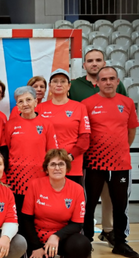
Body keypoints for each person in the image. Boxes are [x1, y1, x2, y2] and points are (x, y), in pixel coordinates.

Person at [68, 48, 125, 246]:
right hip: (87, 154)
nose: (94, 63)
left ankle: (110, 231)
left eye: (98, 60)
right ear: (83, 65)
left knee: (113, 197)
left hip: (115, 156)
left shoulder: (118, 87)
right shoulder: (75, 86)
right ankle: (86, 236)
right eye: (90, 60)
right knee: (88, 197)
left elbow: (127, 120)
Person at [82, 66, 139, 258]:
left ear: (117, 81)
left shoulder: (127, 102)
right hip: (94, 163)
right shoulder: (87, 103)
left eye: (111, 79)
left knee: (120, 205)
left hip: (120, 164)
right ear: (97, 82)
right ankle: (86, 241)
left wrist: (119, 149)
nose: (108, 82)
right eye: (104, 79)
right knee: (89, 204)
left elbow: (131, 131)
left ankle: (120, 243)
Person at [0, 86, 58, 218]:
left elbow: (52, 153)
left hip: (39, 178)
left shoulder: (46, 124)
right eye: (20, 101)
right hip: (16, 179)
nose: (25, 104)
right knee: (18, 215)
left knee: (38, 214)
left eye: (28, 100)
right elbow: (6, 151)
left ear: (36, 102)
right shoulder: (10, 125)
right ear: (17, 106)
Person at [21, 149, 90, 258]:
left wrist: (56, 236)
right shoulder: (35, 185)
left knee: (82, 244)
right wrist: (36, 247)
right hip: (36, 237)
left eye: (61, 164)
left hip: (62, 237)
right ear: (46, 169)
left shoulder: (77, 189)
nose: (57, 168)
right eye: (53, 164)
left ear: (67, 168)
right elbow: (26, 219)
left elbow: (77, 224)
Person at [36, 69, 91, 184]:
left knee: (72, 200)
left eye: (63, 81)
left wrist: (69, 157)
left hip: (71, 165)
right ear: (50, 86)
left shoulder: (79, 107)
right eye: (55, 81)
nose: (59, 84)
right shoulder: (39, 108)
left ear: (69, 85)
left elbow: (85, 139)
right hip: (46, 165)